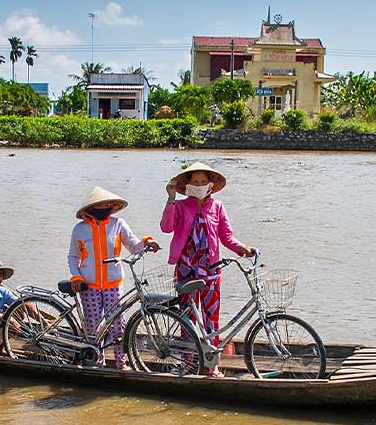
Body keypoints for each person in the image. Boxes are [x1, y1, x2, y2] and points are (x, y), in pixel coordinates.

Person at [160, 161, 255, 377]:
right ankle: (188, 364)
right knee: (188, 320)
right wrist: (171, 198)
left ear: (210, 184)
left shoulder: (217, 207)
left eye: (204, 181)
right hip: (186, 270)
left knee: (211, 318)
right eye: (196, 181)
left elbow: (226, 236)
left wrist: (242, 249)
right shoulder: (181, 206)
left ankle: (213, 366)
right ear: (189, 184)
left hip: (211, 270)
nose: (200, 184)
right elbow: (166, 228)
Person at [68, 187, 160, 369]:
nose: (106, 207)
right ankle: (97, 363)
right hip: (89, 285)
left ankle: (121, 362)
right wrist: (76, 276)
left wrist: (146, 242)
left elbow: (133, 246)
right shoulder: (80, 230)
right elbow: (73, 257)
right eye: (102, 204)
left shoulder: (118, 224)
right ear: (92, 207)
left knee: (118, 325)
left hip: (113, 284)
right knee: (94, 327)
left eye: (108, 204)